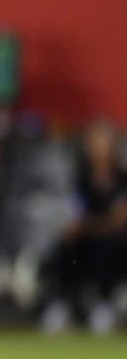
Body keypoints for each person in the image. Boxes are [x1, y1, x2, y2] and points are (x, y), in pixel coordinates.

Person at [39, 120, 127, 335]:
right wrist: (95, 224)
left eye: (103, 145)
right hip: (88, 240)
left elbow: (120, 221)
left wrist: (91, 224)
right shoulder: (82, 180)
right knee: (66, 246)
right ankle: (63, 303)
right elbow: (74, 218)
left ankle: (104, 305)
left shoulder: (122, 181)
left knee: (109, 246)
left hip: (116, 243)